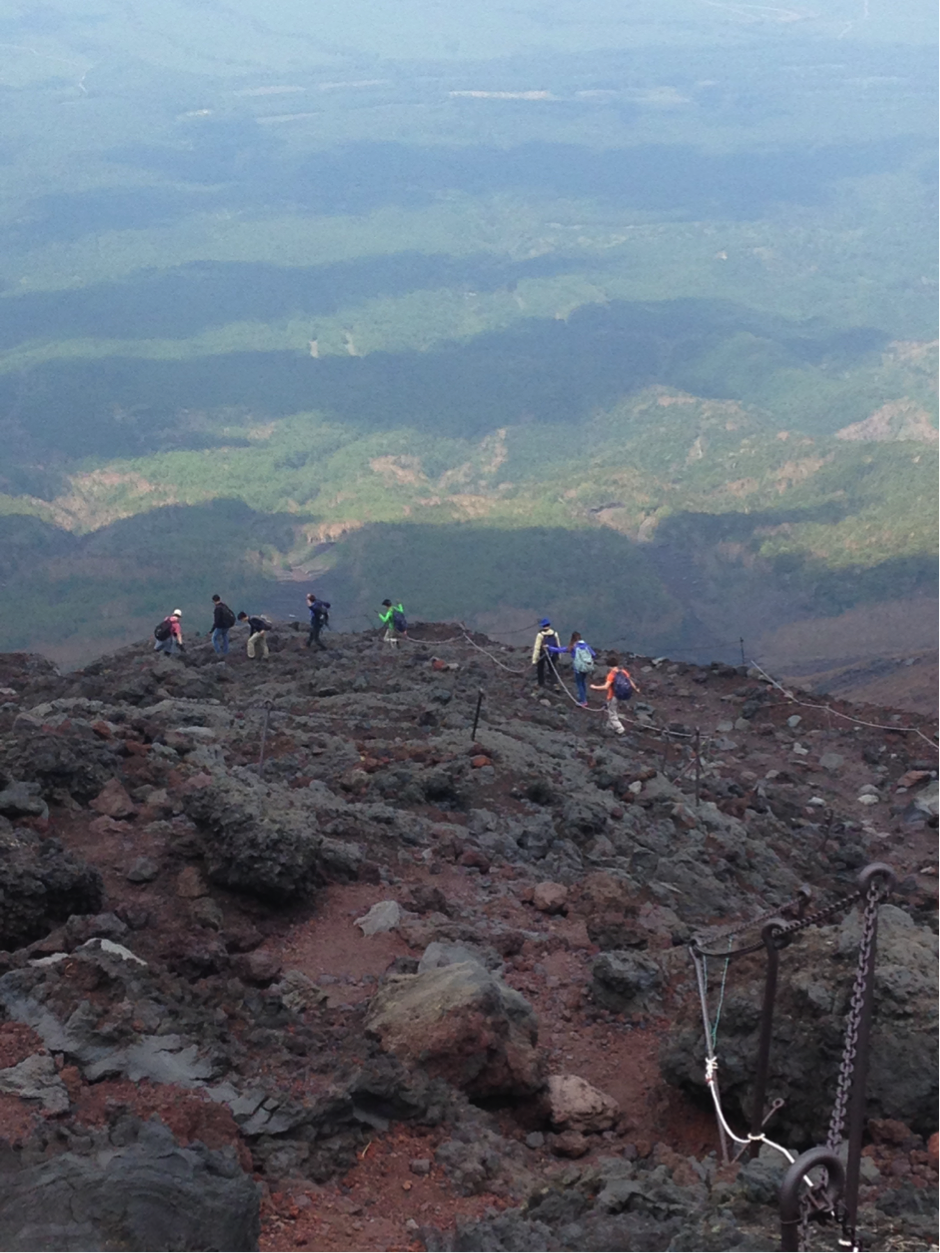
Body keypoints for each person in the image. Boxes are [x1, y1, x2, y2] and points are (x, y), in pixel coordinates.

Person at [591, 656, 640, 735]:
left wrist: (594, 687)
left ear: (609, 666)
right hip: (622, 695)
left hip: (612, 696)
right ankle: (611, 725)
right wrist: (636, 689)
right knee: (614, 710)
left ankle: (620, 729)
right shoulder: (623, 671)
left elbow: (606, 687)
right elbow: (630, 681)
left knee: (612, 713)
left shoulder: (611, 675)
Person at [547, 631, 596, 706]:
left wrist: (549, 648)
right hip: (586, 666)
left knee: (579, 683)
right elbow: (594, 654)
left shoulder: (573, 647)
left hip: (578, 668)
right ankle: (583, 696)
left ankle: (583, 701)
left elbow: (560, 650)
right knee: (583, 682)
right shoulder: (586, 645)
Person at [531, 618, 560, 687]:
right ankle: (555, 684)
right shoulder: (554, 633)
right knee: (553, 668)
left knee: (540, 668)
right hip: (553, 653)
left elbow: (537, 648)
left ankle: (541, 683)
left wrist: (534, 660)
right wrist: (559, 655)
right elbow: (558, 645)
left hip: (543, 653)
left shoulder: (540, 635)